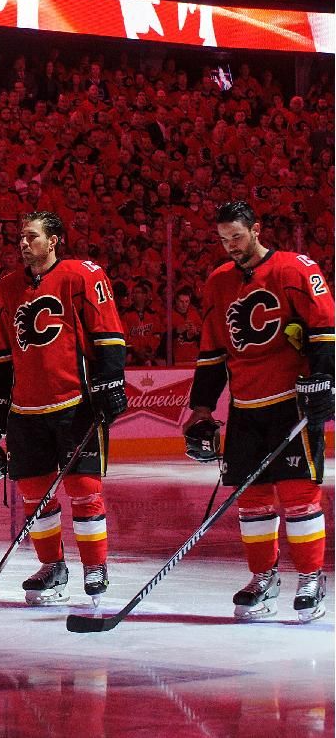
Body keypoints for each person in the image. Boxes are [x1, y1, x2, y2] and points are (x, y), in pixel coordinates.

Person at [182, 201, 334, 622]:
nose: (231, 246)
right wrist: (201, 408)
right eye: (223, 239)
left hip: (292, 404)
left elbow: (325, 328)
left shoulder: (294, 269)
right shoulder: (218, 283)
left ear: (256, 229)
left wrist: (324, 380)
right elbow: (211, 351)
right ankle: (263, 577)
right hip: (246, 408)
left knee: (299, 496)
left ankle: (310, 577)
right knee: (252, 501)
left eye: (237, 236)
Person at [0, 212, 126, 605]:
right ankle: (52, 566)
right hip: (26, 408)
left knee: (83, 489)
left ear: (55, 239)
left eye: (31, 236)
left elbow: (108, 333)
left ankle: (95, 566)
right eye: (20, 237)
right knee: (34, 493)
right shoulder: (7, 287)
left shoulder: (82, 275)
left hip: (74, 403)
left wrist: (110, 380)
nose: (23, 243)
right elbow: (3, 349)